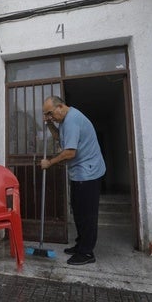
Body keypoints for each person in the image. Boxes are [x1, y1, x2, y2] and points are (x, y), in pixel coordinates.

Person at [40, 95, 106, 265]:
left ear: (60, 106)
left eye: (50, 113)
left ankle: (86, 253)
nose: (50, 116)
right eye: (47, 115)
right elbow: (58, 138)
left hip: (88, 173)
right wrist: (49, 124)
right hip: (79, 172)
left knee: (87, 214)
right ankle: (81, 245)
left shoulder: (72, 121)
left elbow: (70, 152)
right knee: (78, 211)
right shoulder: (64, 121)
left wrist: (49, 163)